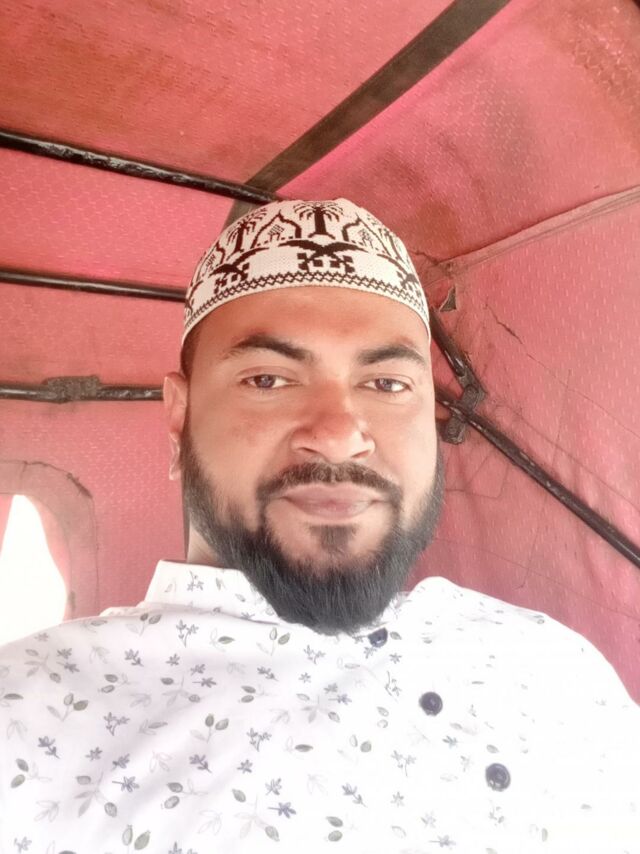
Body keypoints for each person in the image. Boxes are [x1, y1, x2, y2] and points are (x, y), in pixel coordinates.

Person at [0, 199, 637, 853]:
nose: (337, 436)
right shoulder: (27, 721)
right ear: (179, 418)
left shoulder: (557, 669)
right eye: (268, 379)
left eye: (387, 384)